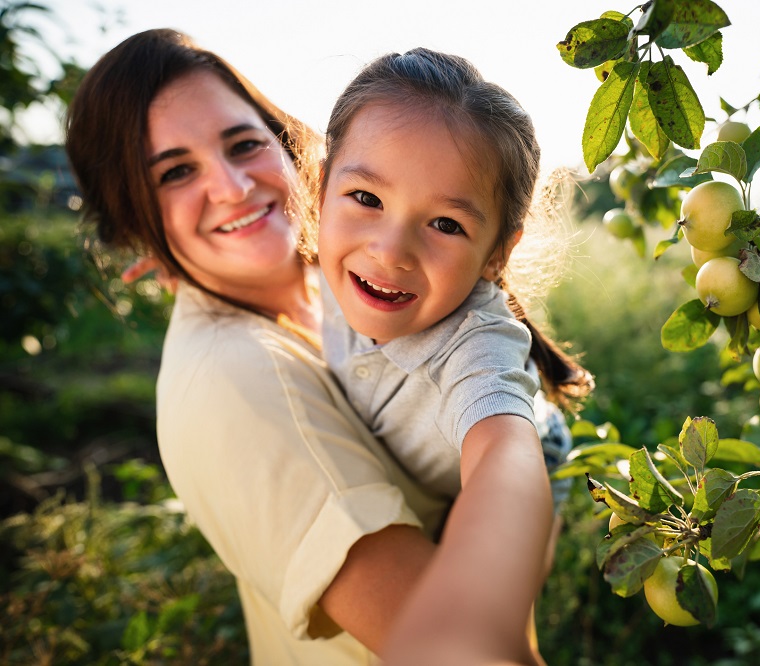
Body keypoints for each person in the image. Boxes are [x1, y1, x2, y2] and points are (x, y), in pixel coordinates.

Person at [64, 29, 548, 665]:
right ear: (136, 223)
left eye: (243, 144)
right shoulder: (228, 379)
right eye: (176, 173)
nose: (234, 188)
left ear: (289, 148)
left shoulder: (348, 286)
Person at [313, 49, 594, 664]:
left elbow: (504, 454)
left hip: (533, 454)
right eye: (366, 197)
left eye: (444, 224)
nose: (390, 251)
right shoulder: (319, 260)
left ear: (497, 253)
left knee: (500, 630)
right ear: (320, 188)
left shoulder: (476, 344)